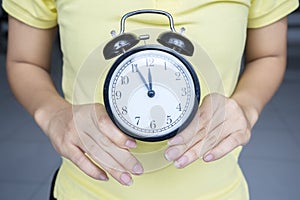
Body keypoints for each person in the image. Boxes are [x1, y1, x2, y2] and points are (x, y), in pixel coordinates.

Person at [3, 0, 299, 199]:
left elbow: (269, 55)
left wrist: (245, 108)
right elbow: (24, 61)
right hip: (85, 192)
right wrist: (53, 114)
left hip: (217, 192)